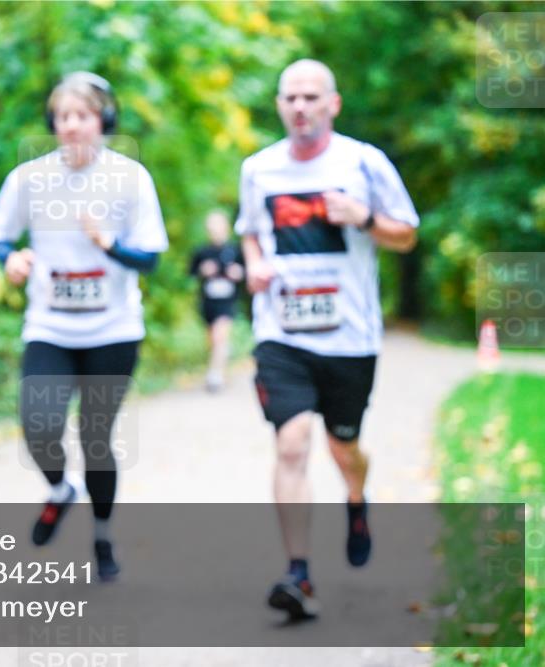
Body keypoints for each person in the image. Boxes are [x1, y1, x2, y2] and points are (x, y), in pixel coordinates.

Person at [236, 59, 419, 620]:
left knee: (344, 449)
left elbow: (407, 234)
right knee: (291, 443)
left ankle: (357, 500)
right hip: (281, 333)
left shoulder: (364, 162)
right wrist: (256, 268)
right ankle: (299, 574)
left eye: (311, 97)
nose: (300, 107)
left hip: (349, 338)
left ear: (332, 104)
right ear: (279, 105)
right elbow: (249, 233)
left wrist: (363, 217)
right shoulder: (258, 169)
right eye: (290, 98)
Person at [0, 72, 168, 581]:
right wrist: (10, 258)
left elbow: (150, 259)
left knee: (96, 439)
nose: (71, 126)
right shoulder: (30, 178)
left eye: (82, 116)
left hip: (113, 329)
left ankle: (103, 538)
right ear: (52, 124)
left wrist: (109, 244)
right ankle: (61, 489)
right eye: (62, 117)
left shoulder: (130, 179)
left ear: (103, 121)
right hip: (50, 325)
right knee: (38, 423)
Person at [189, 209, 244, 391]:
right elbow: (190, 272)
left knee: (220, 334)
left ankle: (215, 376)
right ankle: (221, 362)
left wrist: (238, 273)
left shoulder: (235, 250)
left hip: (227, 301)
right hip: (208, 302)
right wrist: (203, 271)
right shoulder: (202, 251)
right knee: (213, 339)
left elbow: (248, 273)